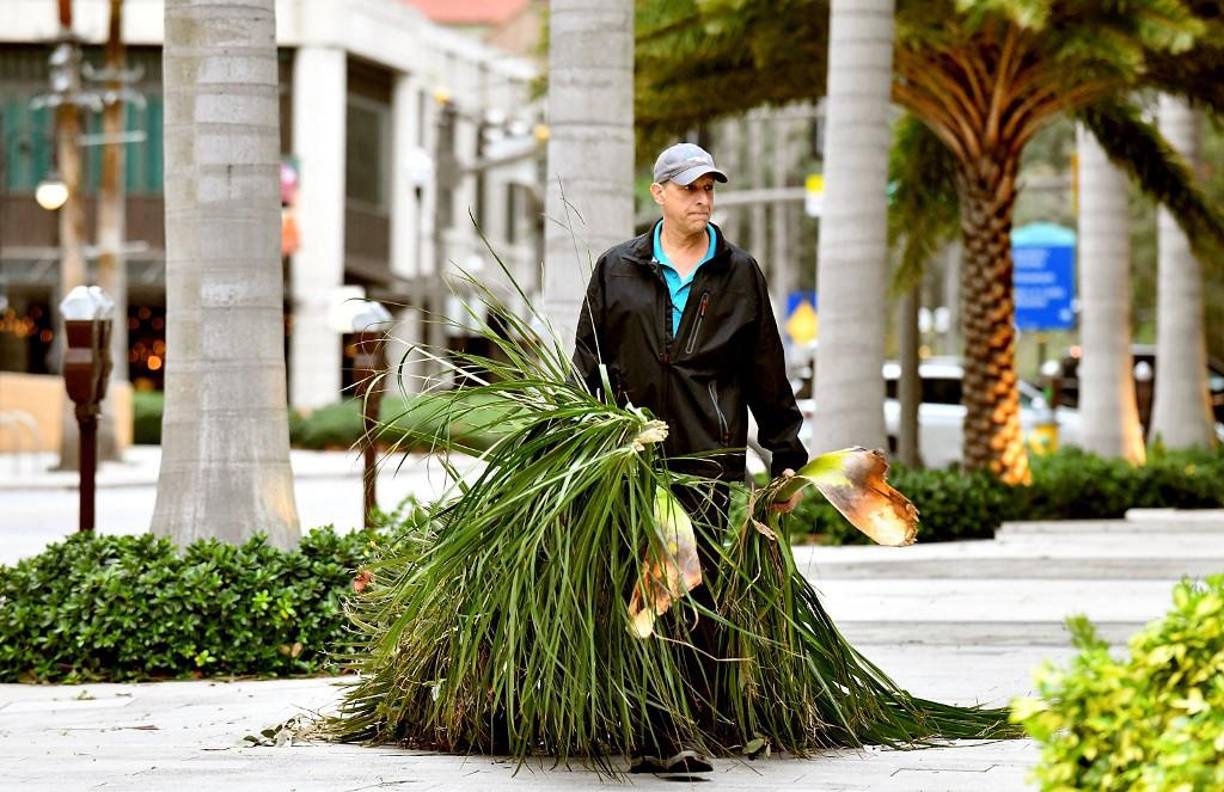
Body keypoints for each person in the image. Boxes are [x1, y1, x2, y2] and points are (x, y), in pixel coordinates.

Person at [573, 142, 808, 774]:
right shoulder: (615, 268)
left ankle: (677, 728)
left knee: (689, 589)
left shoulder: (738, 272)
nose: (701, 199)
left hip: (709, 458)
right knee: (640, 587)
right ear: (659, 194)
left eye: (709, 188)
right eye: (689, 189)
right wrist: (583, 441)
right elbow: (585, 364)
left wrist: (786, 452)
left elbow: (766, 369)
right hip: (629, 461)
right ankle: (653, 729)